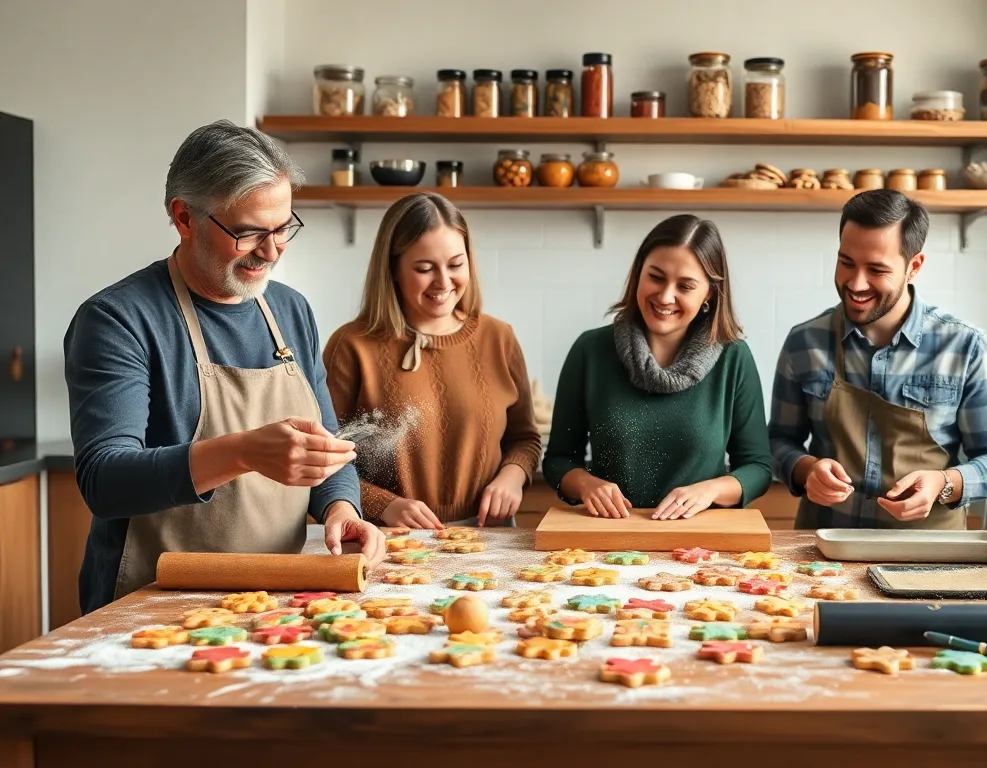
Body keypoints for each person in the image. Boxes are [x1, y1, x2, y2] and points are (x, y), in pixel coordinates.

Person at [64, 120, 384, 613]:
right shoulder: (117, 319)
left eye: (283, 229)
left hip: (274, 600)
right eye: (250, 232)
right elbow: (105, 481)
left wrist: (341, 505)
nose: (273, 251)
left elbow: (326, 445)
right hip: (150, 606)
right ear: (184, 218)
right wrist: (245, 452)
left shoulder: (290, 311)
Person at [770, 189, 987, 529]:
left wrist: (943, 484)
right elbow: (777, 442)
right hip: (824, 554)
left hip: (928, 561)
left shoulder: (965, 346)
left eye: (876, 269)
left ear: (914, 266)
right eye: (846, 263)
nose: (856, 283)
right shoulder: (805, 343)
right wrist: (804, 469)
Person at [324, 193, 541, 528]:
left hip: (489, 536)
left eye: (456, 264)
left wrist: (511, 478)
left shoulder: (499, 338)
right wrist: (384, 505)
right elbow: (327, 458)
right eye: (424, 268)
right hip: (387, 536)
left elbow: (524, 439)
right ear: (393, 269)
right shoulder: (352, 346)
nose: (443, 282)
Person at [543, 214, 772, 519]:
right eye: (656, 277)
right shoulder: (590, 351)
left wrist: (711, 490)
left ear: (710, 293)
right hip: (608, 542)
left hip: (701, 549)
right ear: (638, 273)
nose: (665, 296)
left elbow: (758, 467)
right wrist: (586, 484)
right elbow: (558, 460)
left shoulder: (734, 357)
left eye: (686, 286)